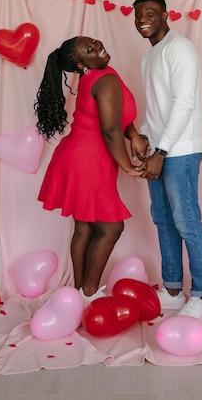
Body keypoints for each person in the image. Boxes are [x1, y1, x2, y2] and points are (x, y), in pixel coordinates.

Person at [34, 36, 146, 304]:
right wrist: (129, 167)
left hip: (80, 155)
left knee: (85, 228)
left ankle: (80, 292)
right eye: (89, 49)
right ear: (81, 63)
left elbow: (117, 117)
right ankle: (89, 293)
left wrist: (134, 136)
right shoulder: (104, 79)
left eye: (94, 42)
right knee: (110, 229)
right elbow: (109, 131)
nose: (97, 46)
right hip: (88, 160)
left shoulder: (102, 72)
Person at [133, 0, 202, 322]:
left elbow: (184, 103)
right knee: (163, 220)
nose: (143, 19)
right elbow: (157, 110)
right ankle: (172, 290)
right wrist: (144, 138)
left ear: (166, 15)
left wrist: (162, 151)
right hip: (161, 148)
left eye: (150, 13)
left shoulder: (179, 48)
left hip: (181, 151)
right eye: (138, 14)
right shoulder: (149, 56)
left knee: (186, 221)